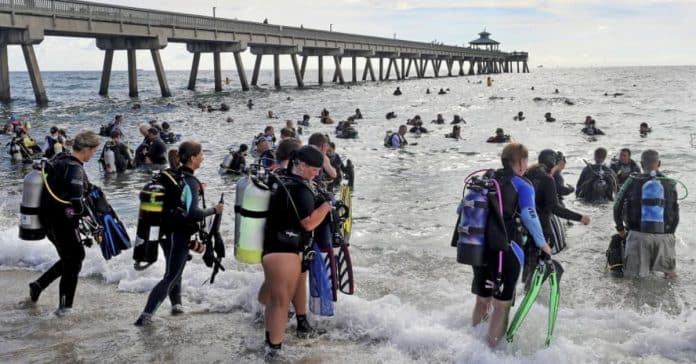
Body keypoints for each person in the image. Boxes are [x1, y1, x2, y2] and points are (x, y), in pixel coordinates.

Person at [471, 143, 552, 348]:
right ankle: (490, 355)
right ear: (521, 162)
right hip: (507, 251)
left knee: (483, 299)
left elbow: (461, 210)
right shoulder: (522, 184)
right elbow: (530, 216)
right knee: (501, 305)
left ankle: (473, 346)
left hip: (479, 248)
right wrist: (543, 244)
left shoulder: (486, 179)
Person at [135, 141, 224, 325]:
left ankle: (177, 306)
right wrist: (215, 210)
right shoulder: (189, 181)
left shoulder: (176, 176)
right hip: (178, 235)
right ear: (192, 158)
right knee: (171, 276)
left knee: (175, 270)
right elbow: (192, 214)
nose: (203, 157)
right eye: (201, 154)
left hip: (165, 232)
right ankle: (145, 317)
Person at [261, 145, 333, 359]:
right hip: (282, 250)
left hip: (285, 247)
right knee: (280, 303)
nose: (318, 173)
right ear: (301, 165)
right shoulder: (299, 189)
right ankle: (273, 352)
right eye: (314, 169)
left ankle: (290, 332)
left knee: (284, 294)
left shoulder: (283, 177)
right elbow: (309, 223)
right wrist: (327, 206)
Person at [28, 130, 101, 315]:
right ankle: (64, 308)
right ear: (85, 149)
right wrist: (94, 221)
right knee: (74, 260)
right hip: (62, 221)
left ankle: (38, 286)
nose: (93, 154)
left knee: (71, 258)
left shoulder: (60, 159)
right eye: (93, 150)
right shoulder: (75, 168)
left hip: (47, 219)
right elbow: (77, 203)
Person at [613, 149, 679, 279]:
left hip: (638, 236)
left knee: (633, 281)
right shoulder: (670, 183)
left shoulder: (632, 180)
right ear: (659, 163)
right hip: (665, 236)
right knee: (670, 278)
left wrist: (620, 229)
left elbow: (617, 207)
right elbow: (675, 212)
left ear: (642, 164)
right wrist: (671, 234)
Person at [525, 150, 590, 266]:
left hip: (525, 225)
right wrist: (580, 217)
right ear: (553, 164)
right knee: (543, 262)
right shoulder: (548, 179)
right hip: (541, 227)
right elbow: (555, 208)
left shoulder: (527, 173)